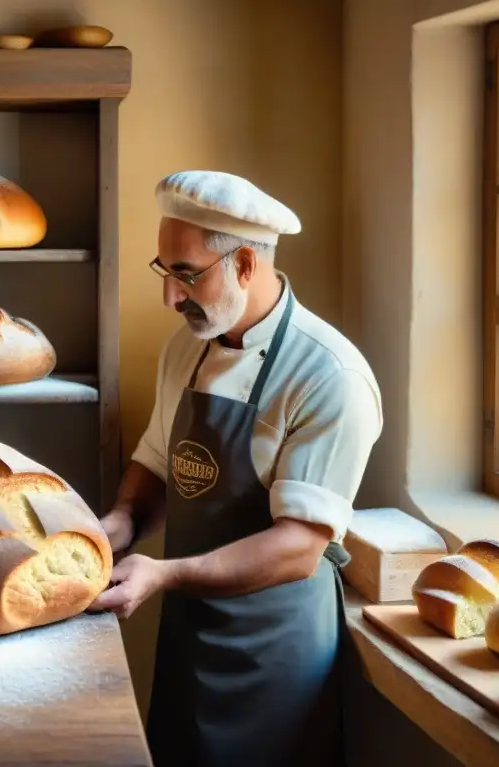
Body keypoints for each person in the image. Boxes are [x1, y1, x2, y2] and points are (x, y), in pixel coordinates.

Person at [88, 170, 384, 767]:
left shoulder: (331, 377)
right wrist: (114, 527)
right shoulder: (188, 343)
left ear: (246, 264)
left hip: (274, 658)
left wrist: (165, 574)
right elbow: (156, 461)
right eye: (164, 269)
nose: (170, 296)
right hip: (189, 632)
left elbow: (300, 546)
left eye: (186, 274)